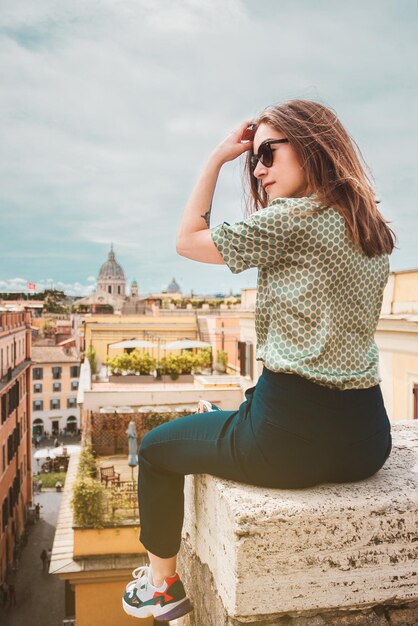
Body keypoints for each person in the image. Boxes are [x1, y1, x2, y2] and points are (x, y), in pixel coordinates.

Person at [122, 99, 395, 622]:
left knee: (156, 450)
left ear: (311, 146)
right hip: (367, 441)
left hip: (289, 440)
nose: (260, 169)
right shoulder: (370, 225)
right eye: (254, 160)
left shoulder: (296, 218)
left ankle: (160, 587)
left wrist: (217, 159)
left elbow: (187, 241)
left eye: (268, 153)